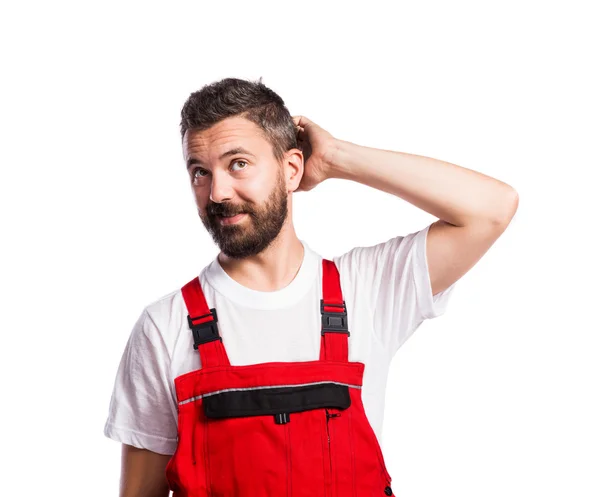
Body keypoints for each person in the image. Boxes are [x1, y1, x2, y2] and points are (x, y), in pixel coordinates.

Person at [103, 77, 518, 497]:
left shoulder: (365, 289)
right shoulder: (164, 327)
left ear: (291, 169)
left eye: (238, 164)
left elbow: (491, 209)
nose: (218, 192)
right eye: (200, 172)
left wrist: (338, 157)